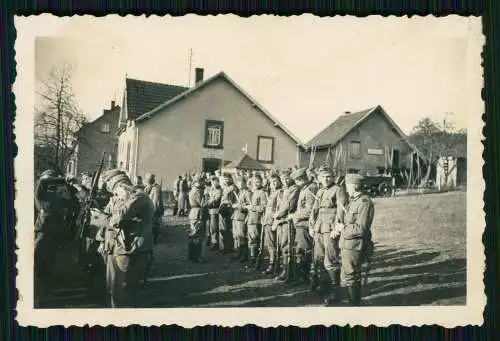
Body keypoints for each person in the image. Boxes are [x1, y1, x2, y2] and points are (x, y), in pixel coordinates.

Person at [100, 169, 155, 308]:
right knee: (113, 288)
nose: (115, 195)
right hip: (115, 248)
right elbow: (105, 218)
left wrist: (123, 199)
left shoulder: (138, 197)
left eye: (116, 190)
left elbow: (117, 219)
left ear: (122, 185)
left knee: (123, 291)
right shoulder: (119, 199)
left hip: (131, 250)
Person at [34, 170, 75, 306]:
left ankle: (48, 292)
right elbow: (41, 182)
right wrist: (61, 179)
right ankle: (39, 295)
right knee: (39, 262)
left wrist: (70, 185)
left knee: (50, 264)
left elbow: (71, 201)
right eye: (50, 181)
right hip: (43, 232)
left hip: (56, 234)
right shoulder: (41, 194)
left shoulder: (55, 195)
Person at [333, 173, 374, 306]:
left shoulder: (364, 202)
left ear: (354, 186)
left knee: (352, 275)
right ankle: (350, 302)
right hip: (346, 243)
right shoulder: (353, 201)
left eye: (347, 185)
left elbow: (360, 228)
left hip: (355, 245)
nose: (346, 188)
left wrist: (342, 228)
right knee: (347, 275)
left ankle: (354, 304)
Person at [309, 166, 348, 305]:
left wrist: (337, 228)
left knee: (331, 259)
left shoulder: (338, 190)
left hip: (330, 229)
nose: (326, 179)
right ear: (319, 178)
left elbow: (341, 210)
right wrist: (312, 225)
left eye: (329, 176)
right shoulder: (320, 191)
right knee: (319, 258)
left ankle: (334, 291)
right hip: (319, 228)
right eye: (323, 176)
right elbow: (315, 210)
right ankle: (324, 286)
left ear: (333, 177)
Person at [290, 167, 318, 282]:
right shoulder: (304, 189)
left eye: (297, 180)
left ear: (302, 179)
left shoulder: (310, 189)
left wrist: (295, 215)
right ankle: (302, 274)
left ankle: (304, 276)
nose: (296, 183)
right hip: (301, 224)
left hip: (305, 225)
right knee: (300, 250)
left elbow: (310, 209)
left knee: (304, 251)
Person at [273, 168, 300, 281]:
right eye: (283, 179)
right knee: (283, 245)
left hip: (288, 221)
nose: (285, 180)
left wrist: (278, 215)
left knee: (288, 246)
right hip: (281, 220)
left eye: (287, 178)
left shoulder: (294, 189)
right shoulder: (284, 189)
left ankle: (289, 271)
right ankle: (285, 269)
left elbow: (289, 205)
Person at [262, 172, 284, 274]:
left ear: (279, 181)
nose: (274, 183)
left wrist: (275, 222)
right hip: (268, 220)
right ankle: (273, 263)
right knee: (270, 244)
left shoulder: (280, 192)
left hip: (273, 222)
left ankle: (274, 264)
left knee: (274, 244)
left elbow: (278, 209)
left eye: (275, 181)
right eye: (272, 182)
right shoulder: (272, 192)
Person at [247, 174, 267, 265]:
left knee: (255, 240)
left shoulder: (262, 192)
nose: (255, 184)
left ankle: (256, 260)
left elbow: (263, 207)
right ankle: (252, 258)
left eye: (258, 182)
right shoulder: (253, 192)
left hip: (257, 220)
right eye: (254, 182)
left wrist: (252, 207)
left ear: (261, 182)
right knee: (251, 240)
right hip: (251, 219)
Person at [188, 174, 209, 262]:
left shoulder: (193, 190)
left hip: (194, 213)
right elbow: (203, 204)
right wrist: (208, 197)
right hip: (197, 213)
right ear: (199, 181)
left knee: (194, 235)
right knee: (198, 236)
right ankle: (197, 257)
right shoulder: (197, 191)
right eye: (202, 181)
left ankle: (192, 256)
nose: (204, 183)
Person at [231, 176, 252, 262]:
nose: (239, 184)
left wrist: (239, 206)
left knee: (242, 236)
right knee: (237, 236)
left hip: (242, 217)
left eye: (241, 182)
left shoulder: (247, 193)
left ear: (244, 183)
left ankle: (244, 255)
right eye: (238, 182)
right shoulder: (239, 192)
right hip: (236, 216)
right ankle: (239, 253)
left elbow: (250, 206)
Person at [218, 173, 238, 254]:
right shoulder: (224, 187)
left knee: (228, 230)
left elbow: (235, 200)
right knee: (222, 230)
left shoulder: (233, 188)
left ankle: (229, 248)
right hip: (222, 209)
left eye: (227, 179)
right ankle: (223, 248)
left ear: (231, 179)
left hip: (229, 210)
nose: (225, 180)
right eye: (224, 179)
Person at [144, 173, 164, 244]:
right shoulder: (149, 187)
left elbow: (156, 202)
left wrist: (154, 211)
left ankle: (154, 239)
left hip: (154, 210)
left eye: (147, 180)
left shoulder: (156, 189)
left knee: (155, 225)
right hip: (151, 209)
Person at [207, 176, 222, 251]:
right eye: (212, 182)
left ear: (218, 182)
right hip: (211, 211)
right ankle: (213, 241)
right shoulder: (213, 189)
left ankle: (215, 243)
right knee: (211, 227)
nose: (213, 183)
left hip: (215, 210)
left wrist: (208, 203)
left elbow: (215, 200)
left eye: (215, 182)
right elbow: (210, 198)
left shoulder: (219, 190)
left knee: (214, 227)